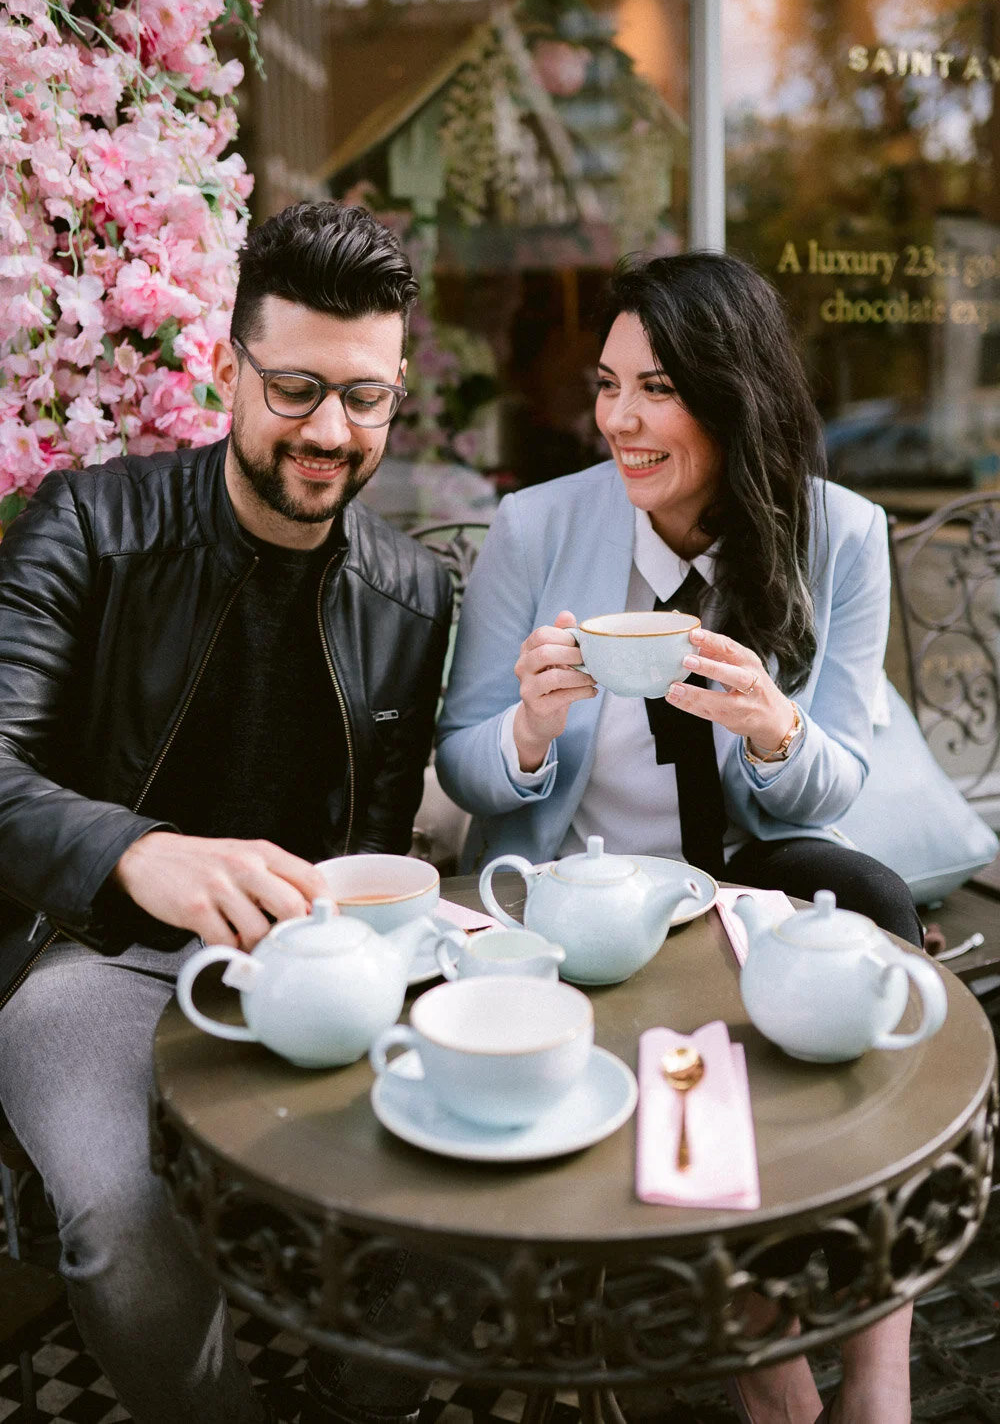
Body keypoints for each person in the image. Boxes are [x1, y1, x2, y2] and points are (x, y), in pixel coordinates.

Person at [436, 251, 919, 1424]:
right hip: (577, 885)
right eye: (607, 386)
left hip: (745, 867)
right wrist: (536, 724)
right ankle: (776, 1375)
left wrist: (771, 728)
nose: (618, 420)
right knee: (677, 1048)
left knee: (877, 915)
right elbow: (461, 761)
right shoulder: (534, 527)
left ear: (730, 394)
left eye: (656, 389)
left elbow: (831, 784)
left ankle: (878, 1366)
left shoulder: (840, 537)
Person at [0, 201, 452, 1424]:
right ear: (225, 367)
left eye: (367, 398)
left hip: (314, 962)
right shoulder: (90, 522)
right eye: (297, 387)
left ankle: (367, 1401)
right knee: (120, 1226)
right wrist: (139, 853)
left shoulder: (415, 590)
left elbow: (379, 842)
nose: (331, 431)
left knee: (458, 1173)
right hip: (97, 958)